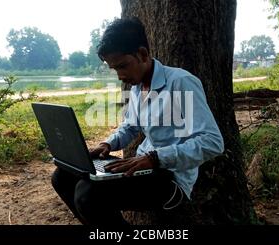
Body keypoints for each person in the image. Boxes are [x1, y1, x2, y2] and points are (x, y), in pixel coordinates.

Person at [51, 17, 224, 225]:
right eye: (115, 69)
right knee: (62, 177)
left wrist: (155, 158)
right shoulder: (137, 87)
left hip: (170, 178)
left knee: (87, 194)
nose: (120, 76)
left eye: (123, 66)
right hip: (143, 168)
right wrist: (108, 144)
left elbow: (213, 142)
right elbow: (130, 126)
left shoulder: (180, 82)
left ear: (142, 54)